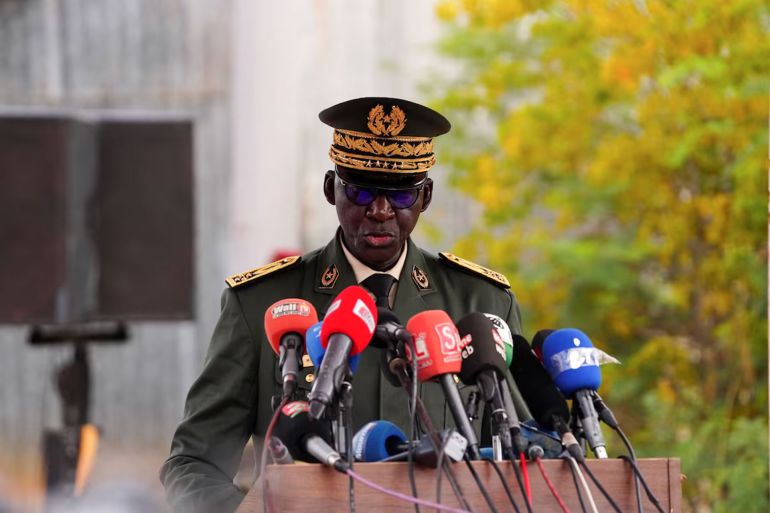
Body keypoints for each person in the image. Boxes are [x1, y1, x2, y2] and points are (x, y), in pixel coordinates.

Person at [160, 97, 530, 513]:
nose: (379, 211)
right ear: (329, 189)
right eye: (359, 190)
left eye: (401, 196)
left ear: (425, 196)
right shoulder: (261, 302)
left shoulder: (481, 302)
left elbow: (528, 452)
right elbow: (193, 462)